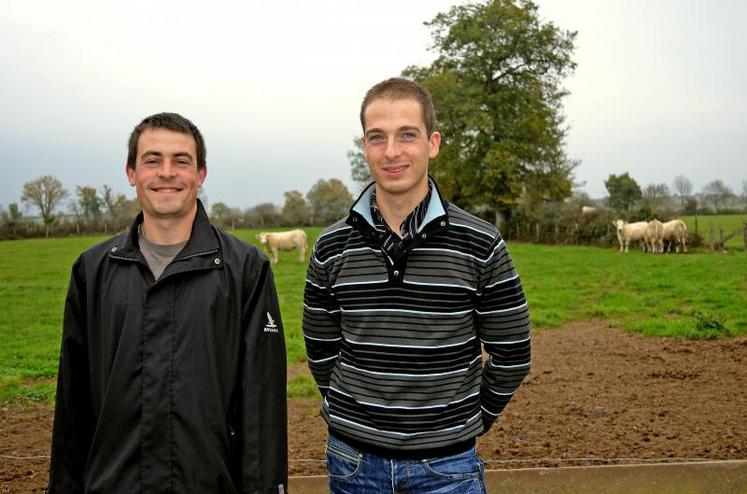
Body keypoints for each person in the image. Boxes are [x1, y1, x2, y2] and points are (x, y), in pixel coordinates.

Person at [303, 78, 531, 493]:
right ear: (364, 146)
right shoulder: (330, 246)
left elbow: (512, 355)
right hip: (353, 465)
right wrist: (354, 413)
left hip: (447, 469)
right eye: (378, 137)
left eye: (407, 134)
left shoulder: (481, 243)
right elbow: (321, 352)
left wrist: (471, 419)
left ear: (433, 143)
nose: (391, 151)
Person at [49, 113, 288, 493]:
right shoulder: (92, 271)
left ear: (201, 174)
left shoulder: (245, 270)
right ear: (131, 172)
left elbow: (262, 406)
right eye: (152, 160)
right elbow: (72, 406)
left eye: (181, 161)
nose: (167, 173)